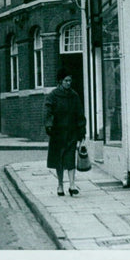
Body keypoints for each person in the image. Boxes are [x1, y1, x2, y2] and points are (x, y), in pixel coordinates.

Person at [44, 67, 86, 197]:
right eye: (66, 80)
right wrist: (49, 125)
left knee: (70, 159)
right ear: (60, 81)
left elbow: (80, 114)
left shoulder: (74, 96)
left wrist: (82, 131)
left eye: (70, 81)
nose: (69, 83)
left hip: (71, 132)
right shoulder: (53, 96)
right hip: (57, 133)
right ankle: (60, 185)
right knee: (59, 160)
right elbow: (47, 112)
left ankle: (72, 185)